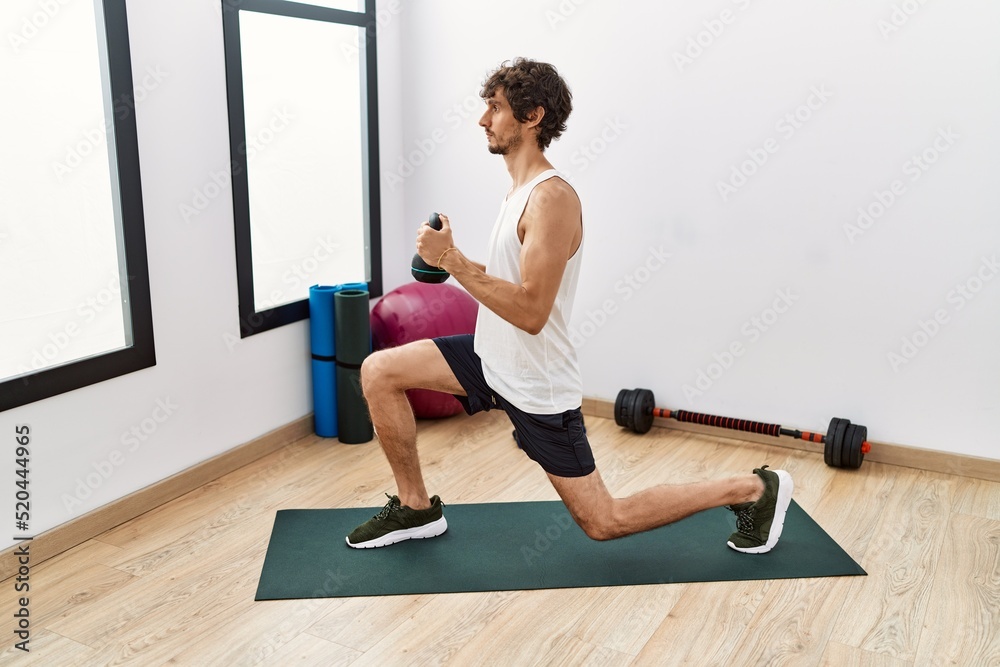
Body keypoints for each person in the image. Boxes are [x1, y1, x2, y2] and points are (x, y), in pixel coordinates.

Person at [347, 58, 793, 554]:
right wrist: (451, 257)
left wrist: (450, 260)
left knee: (605, 521)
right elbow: (511, 286)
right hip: (490, 357)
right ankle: (415, 508)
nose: (482, 120)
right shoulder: (517, 193)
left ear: (532, 115)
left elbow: (533, 313)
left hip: (536, 383)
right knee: (379, 371)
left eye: (494, 107)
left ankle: (754, 489)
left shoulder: (551, 198)